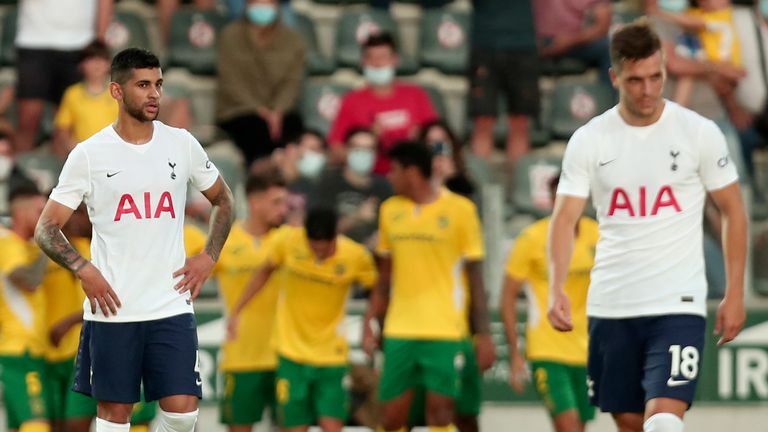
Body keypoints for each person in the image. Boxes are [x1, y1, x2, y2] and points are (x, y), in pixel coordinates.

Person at [548, 21, 747, 432]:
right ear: (614, 77)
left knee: (664, 421)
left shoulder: (698, 132)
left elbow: (733, 210)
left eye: (656, 77)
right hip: (612, 302)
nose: (648, 89)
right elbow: (564, 218)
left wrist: (735, 291)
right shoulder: (590, 139)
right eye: (636, 80)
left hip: (678, 303)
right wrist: (556, 286)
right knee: (629, 421)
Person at [34, 47, 235, 432]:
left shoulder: (181, 143)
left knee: (183, 413)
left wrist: (209, 255)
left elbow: (224, 200)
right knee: (115, 418)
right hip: (114, 307)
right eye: (143, 85)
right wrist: (82, 268)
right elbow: (46, 227)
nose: (154, 93)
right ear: (116, 91)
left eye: (158, 84)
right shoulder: (89, 155)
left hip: (170, 304)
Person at [362, 142, 495, 431]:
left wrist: (483, 334)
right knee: (391, 417)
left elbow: (475, 276)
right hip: (400, 329)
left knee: (442, 413)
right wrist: (371, 321)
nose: (389, 177)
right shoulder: (390, 210)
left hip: (446, 329)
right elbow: (384, 278)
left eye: (393, 171)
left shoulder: (461, 210)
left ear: (412, 172)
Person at [228, 207, 377, 432]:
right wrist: (237, 310)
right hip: (291, 353)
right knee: (294, 426)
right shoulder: (288, 241)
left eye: (324, 250)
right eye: (313, 247)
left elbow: (376, 289)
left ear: (334, 237)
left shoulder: (356, 256)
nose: (318, 254)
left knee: (332, 424)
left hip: (331, 354)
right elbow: (264, 271)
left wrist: (368, 325)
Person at [501, 174, 598, 432]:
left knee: (580, 425)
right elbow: (508, 295)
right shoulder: (532, 238)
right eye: (560, 197)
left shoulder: (597, 235)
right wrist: (514, 353)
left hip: (588, 350)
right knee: (569, 427)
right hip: (547, 348)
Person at [214, 171, 288, 432]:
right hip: (241, 355)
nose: (284, 209)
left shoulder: (291, 241)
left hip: (286, 354)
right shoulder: (224, 241)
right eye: (276, 202)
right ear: (255, 203)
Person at [328, 33, 438, 174]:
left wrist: (420, 142)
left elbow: (438, 140)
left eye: (382, 57)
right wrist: (363, 149)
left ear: (395, 60)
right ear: (363, 62)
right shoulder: (351, 101)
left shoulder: (416, 95)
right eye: (370, 57)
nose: (377, 63)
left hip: (413, 177)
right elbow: (335, 150)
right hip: (371, 178)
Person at [15, 0, 113, 154]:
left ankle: (63, 175)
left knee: (67, 125)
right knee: (28, 117)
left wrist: (99, 43)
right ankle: (18, 171)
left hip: (80, 42)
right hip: (34, 40)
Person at [216, 0, 305, 167]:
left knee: (294, 128)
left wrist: (278, 110)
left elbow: (292, 82)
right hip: (239, 110)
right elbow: (231, 81)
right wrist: (260, 110)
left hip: (281, 111)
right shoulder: (230, 35)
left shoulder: (292, 39)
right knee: (255, 129)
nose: (263, 6)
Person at [0, 182, 50, 432]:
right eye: (41, 211)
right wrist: (50, 243)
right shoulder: (7, 243)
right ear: (22, 212)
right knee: (36, 426)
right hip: (20, 351)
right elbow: (27, 280)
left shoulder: (23, 246)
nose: (46, 218)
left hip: (30, 352)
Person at [467, 0, 540, 162]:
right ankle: (479, 183)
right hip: (485, 44)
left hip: (522, 46)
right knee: (483, 121)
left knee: (520, 121)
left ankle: (519, 185)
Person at [653, 0, 742, 107]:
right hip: (709, 58)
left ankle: (677, 109)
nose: (707, 2)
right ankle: (677, 109)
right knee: (687, 75)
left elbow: (693, 22)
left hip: (726, 61)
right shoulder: (698, 13)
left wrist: (663, 14)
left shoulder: (723, 15)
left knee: (722, 85)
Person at [316, 127, 392, 247]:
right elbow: (320, 233)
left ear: (376, 154)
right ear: (346, 150)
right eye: (357, 148)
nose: (363, 154)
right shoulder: (328, 183)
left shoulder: (385, 187)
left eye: (369, 149)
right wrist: (357, 217)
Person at [53, 40, 118, 158]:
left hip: (114, 155)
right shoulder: (72, 94)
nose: (97, 63)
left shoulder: (119, 93)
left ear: (109, 64)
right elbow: (62, 128)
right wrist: (75, 150)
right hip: (83, 157)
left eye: (102, 59)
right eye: (91, 59)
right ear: (81, 65)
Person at [533, 0, 613, 85]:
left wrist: (567, 42)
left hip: (576, 42)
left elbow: (601, 27)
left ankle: (609, 96)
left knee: (609, 48)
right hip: (539, 40)